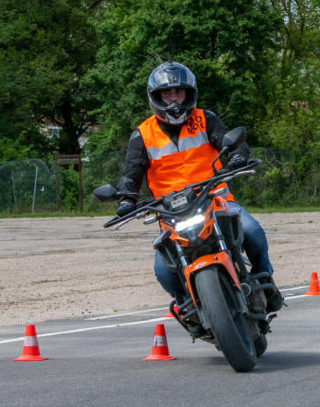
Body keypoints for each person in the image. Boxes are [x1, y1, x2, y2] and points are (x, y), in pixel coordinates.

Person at [115, 60, 283, 312]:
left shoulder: (205, 119)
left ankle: (265, 279)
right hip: (171, 214)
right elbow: (132, 173)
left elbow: (230, 142)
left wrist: (237, 156)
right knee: (163, 271)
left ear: (189, 94)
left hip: (216, 200)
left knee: (252, 231)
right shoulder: (142, 134)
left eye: (179, 92)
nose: (174, 100)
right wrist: (126, 199)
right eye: (167, 93)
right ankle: (187, 305)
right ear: (156, 97)